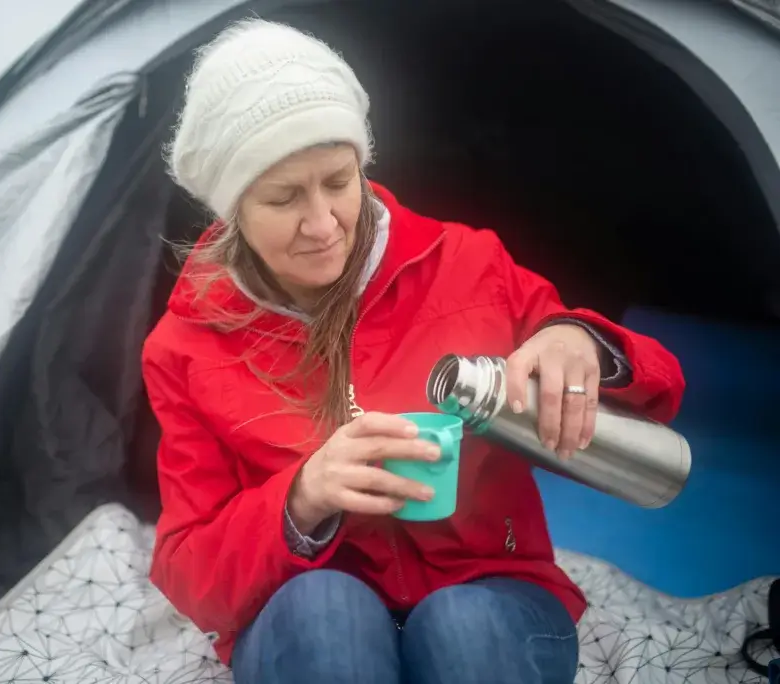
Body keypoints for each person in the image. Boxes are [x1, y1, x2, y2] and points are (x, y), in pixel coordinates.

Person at [140, 18, 686, 684]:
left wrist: (581, 340)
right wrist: (301, 498)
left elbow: (661, 390)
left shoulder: (464, 263)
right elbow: (188, 573)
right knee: (325, 609)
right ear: (232, 209)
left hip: (494, 587)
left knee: (461, 627)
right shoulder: (186, 346)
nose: (322, 224)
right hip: (303, 602)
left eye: (338, 181)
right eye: (283, 197)